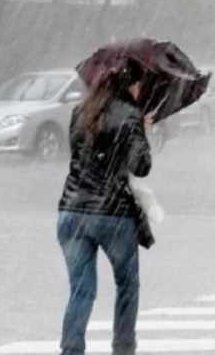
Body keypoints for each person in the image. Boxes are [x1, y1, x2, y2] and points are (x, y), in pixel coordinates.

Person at [57, 57, 152, 355]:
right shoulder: (130, 115)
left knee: (81, 291)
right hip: (112, 215)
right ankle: (123, 348)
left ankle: (71, 350)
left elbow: (80, 155)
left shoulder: (80, 111)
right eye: (139, 86)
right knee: (127, 285)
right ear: (133, 85)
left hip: (72, 211)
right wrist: (141, 131)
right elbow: (142, 166)